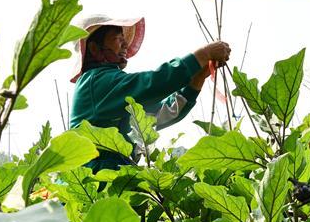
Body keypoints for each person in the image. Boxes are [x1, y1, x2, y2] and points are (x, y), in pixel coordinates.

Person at [69, 14, 230, 172]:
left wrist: (198, 77)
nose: (125, 44)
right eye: (118, 38)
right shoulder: (95, 81)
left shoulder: (115, 96)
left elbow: (165, 113)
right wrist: (202, 55)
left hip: (110, 178)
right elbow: (154, 83)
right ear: (94, 48)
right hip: (94, 176)